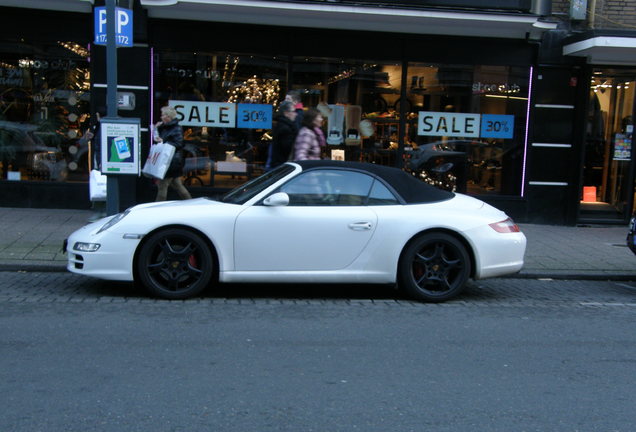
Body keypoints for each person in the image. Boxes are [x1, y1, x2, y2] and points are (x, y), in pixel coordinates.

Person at [154, 105, 192, 201]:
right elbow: (159, 138)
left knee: (162, 186)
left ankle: (157, 209)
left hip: (171, 162)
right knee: (178, 185)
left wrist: (164, 141)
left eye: (163, 115)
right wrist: (156, 129)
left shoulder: (176, 128)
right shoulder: (165, 127)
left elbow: (179, 143)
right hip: (169, 160)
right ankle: (190, 203)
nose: (161, 117)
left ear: (168, 117)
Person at [266, 100, 298, 170]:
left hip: (278, 165)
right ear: (286, 113)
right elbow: (287, 149)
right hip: (281, 166)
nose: (296, 114)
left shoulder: (281, 125)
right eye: (293, 111)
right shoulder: (286, 129)